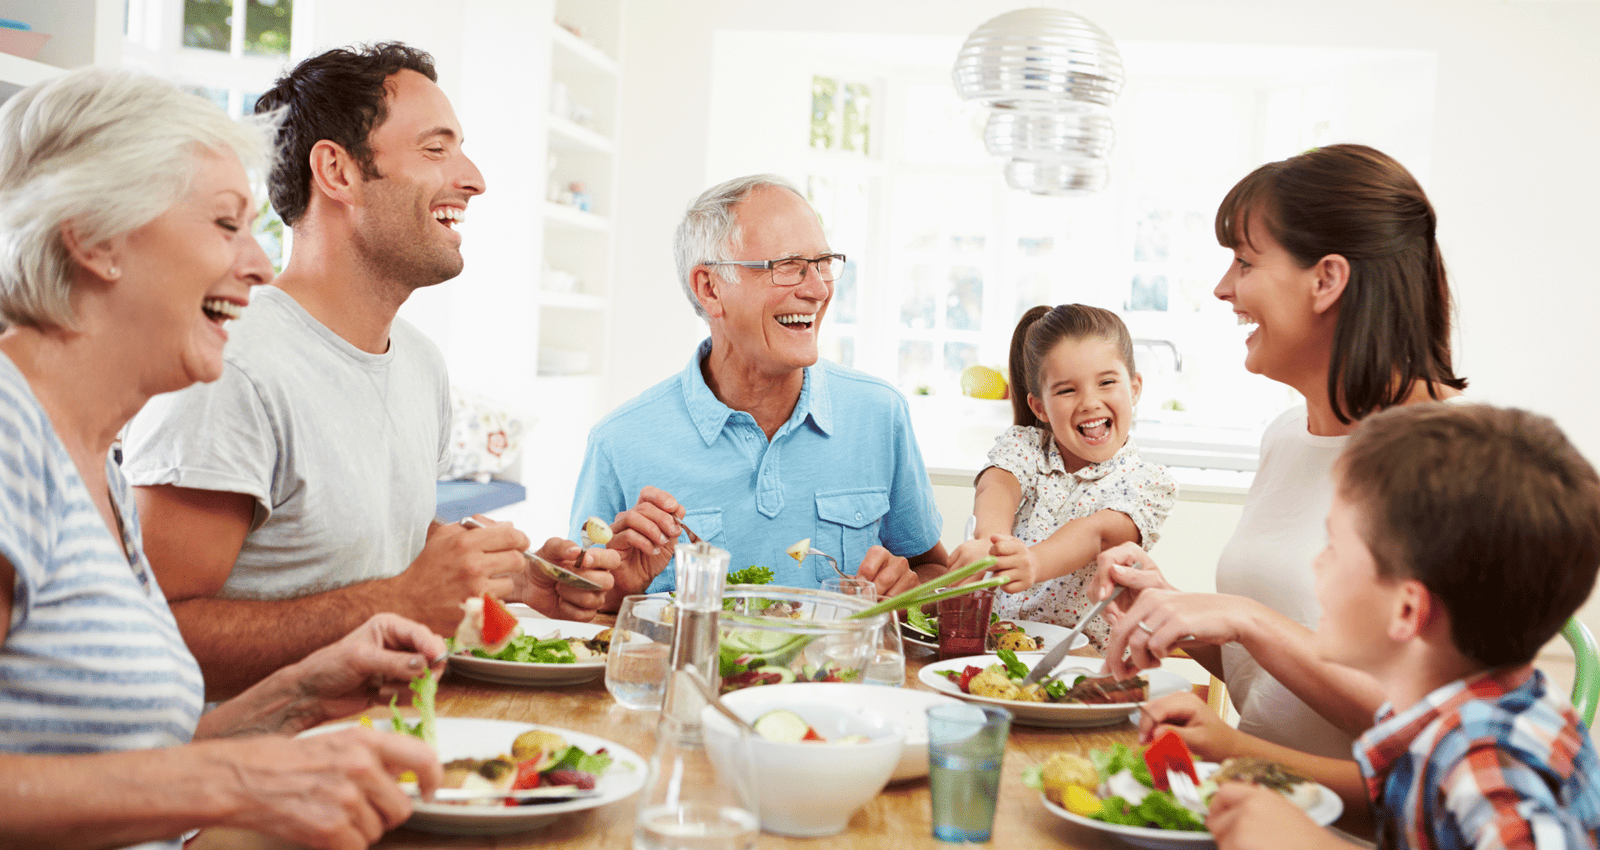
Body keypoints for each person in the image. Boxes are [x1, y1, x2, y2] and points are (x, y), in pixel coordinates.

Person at [0, 67, 447, 850]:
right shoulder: (8, 435)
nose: (261, 266)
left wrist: (297, 698)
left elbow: (120, 771)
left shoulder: (91, 458)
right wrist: (244, 781)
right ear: (95, 238)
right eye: (223, 224)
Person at [120, 42, 617, 699]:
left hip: (389, 746)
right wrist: (404, 599)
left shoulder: (419, 363)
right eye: (436, 149)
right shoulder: (230, 365)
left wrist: (518, 580)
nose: (473, 178)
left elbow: (373, 554)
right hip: (259, 776)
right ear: (338, 171)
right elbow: (154, 636)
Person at [1087, 143, 1467, 830]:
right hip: (1247, 818)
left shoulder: (1450, 465)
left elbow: (1436, 763)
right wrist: (1170, 607)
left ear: (1326, 280)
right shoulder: (1289, 434)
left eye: (1245, 262)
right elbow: (1262, 679)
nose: (1223, 289)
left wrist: (1243, 728)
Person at [1207, 403, 1600, 850]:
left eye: (1333, 546)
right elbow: (1400, 813)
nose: (1317, 563)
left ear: (1407, 611)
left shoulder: (1484, 757)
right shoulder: (1456, 710)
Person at [570, 174, 947, 607]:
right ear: (709, 288)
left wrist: (912, 589)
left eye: (823, 263)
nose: (818, 289)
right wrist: (615, 593)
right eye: (787, 267)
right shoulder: (620, 442)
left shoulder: (880, 414)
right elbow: (579, 608)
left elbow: (934, 570)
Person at [946, 304, 1175, 648]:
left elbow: (1097, 533)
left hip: (1083, 664)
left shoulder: (1147, 482)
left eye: (1107, 382)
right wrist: (993, 545)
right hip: (998, 650)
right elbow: (997, 486)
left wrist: (1032, 563)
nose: (1090, 402)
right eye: (1067, 390)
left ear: (1135, 387)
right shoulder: (1026, 446)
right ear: (1040, 407)